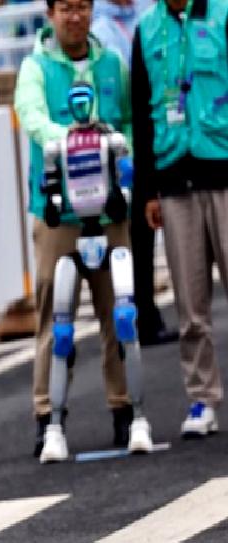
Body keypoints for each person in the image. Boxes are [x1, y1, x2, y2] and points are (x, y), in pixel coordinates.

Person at [14, 0, 135, 456]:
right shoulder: (35, 67)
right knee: (53, 315)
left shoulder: (112, 62)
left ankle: (125, 407)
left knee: (119, 312)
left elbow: (128, 121)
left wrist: (125, 164)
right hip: (58, 212)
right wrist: (78, 142)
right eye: (66, 8)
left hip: (109, 210)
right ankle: (47, 415)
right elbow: (32, 118)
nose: (75, 16)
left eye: (82, 6)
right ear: (51, 14)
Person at [132, 0, 228, 437]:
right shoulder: (146, 30)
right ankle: (201, 397)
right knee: (190, 303)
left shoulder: (222, 14)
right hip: (172, 181)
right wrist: (147, 190)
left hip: (222, 170)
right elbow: (141, 115)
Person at [91, 0, 178, 347]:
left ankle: (147, 313)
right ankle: (129, 319)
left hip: (150, 132)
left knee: (144, 232)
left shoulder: (147, 11)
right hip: (117, 142)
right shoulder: (100, 27)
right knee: (123, 236)